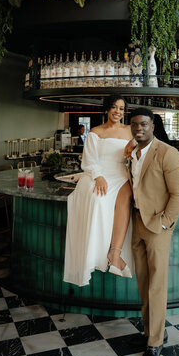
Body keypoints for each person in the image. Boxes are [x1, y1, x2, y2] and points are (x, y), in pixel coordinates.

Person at [129, 108, 179, 356]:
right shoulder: (131, 152)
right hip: (137, 224)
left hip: (157, 228)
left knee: (157, 286)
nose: (138, 128)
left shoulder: (167, 152)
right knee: (143, 284)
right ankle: (151, 331)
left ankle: (155, 343)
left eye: (143, 124)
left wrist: (164, 224)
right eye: (134, 124)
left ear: (152, 126)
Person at [64, 95, 134, 286]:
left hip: (121, 174)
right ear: (106, 109)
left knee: (127, 197)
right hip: (99, 174)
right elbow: (89, 160)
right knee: (97, 200)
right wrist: (98, 176)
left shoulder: (130, 130)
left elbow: (139, 152)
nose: (117, 112)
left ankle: (115, 252)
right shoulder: (96, 132)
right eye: (114, 107)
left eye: (121, 108)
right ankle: (95, 256)